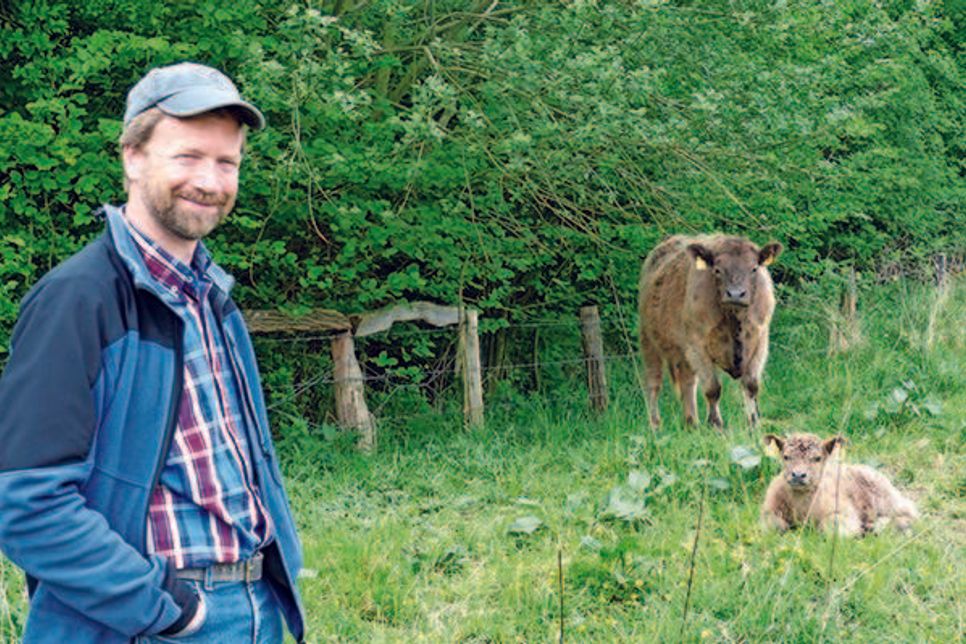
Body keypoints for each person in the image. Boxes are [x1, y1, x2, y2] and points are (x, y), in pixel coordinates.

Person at [0, 62, 305, 643]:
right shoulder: (78, 301)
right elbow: (26, 504)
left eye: (227, 162)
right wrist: (166, 607)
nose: (211, 181)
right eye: (188, 156)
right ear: (133, 157)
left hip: (257, 606)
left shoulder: (213, 297)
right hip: (149, 624)